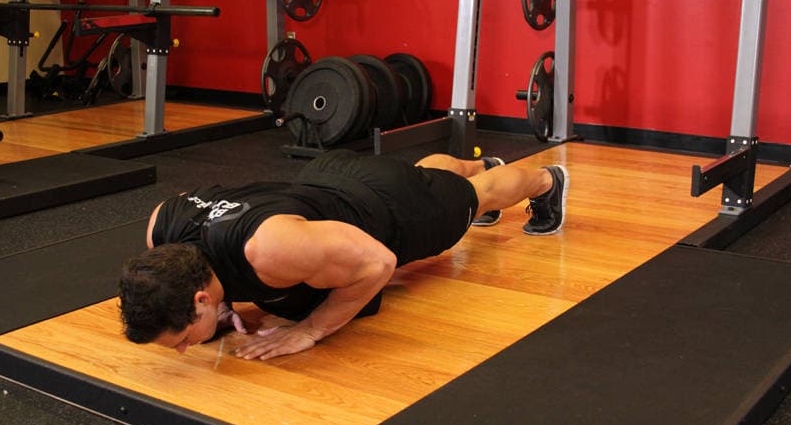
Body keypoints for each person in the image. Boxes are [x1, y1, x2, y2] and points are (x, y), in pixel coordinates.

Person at [119, 149, 568, 361]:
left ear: (200, 299)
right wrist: (223, 308)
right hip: (328, 176)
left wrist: (310, 331)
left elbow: (378, 264)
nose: (184, 349)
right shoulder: (164, 224)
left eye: (181, 339)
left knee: (479, 196)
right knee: (427, 179)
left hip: (393, 210)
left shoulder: (268, 250)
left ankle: (548, 181)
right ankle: (476, 166)